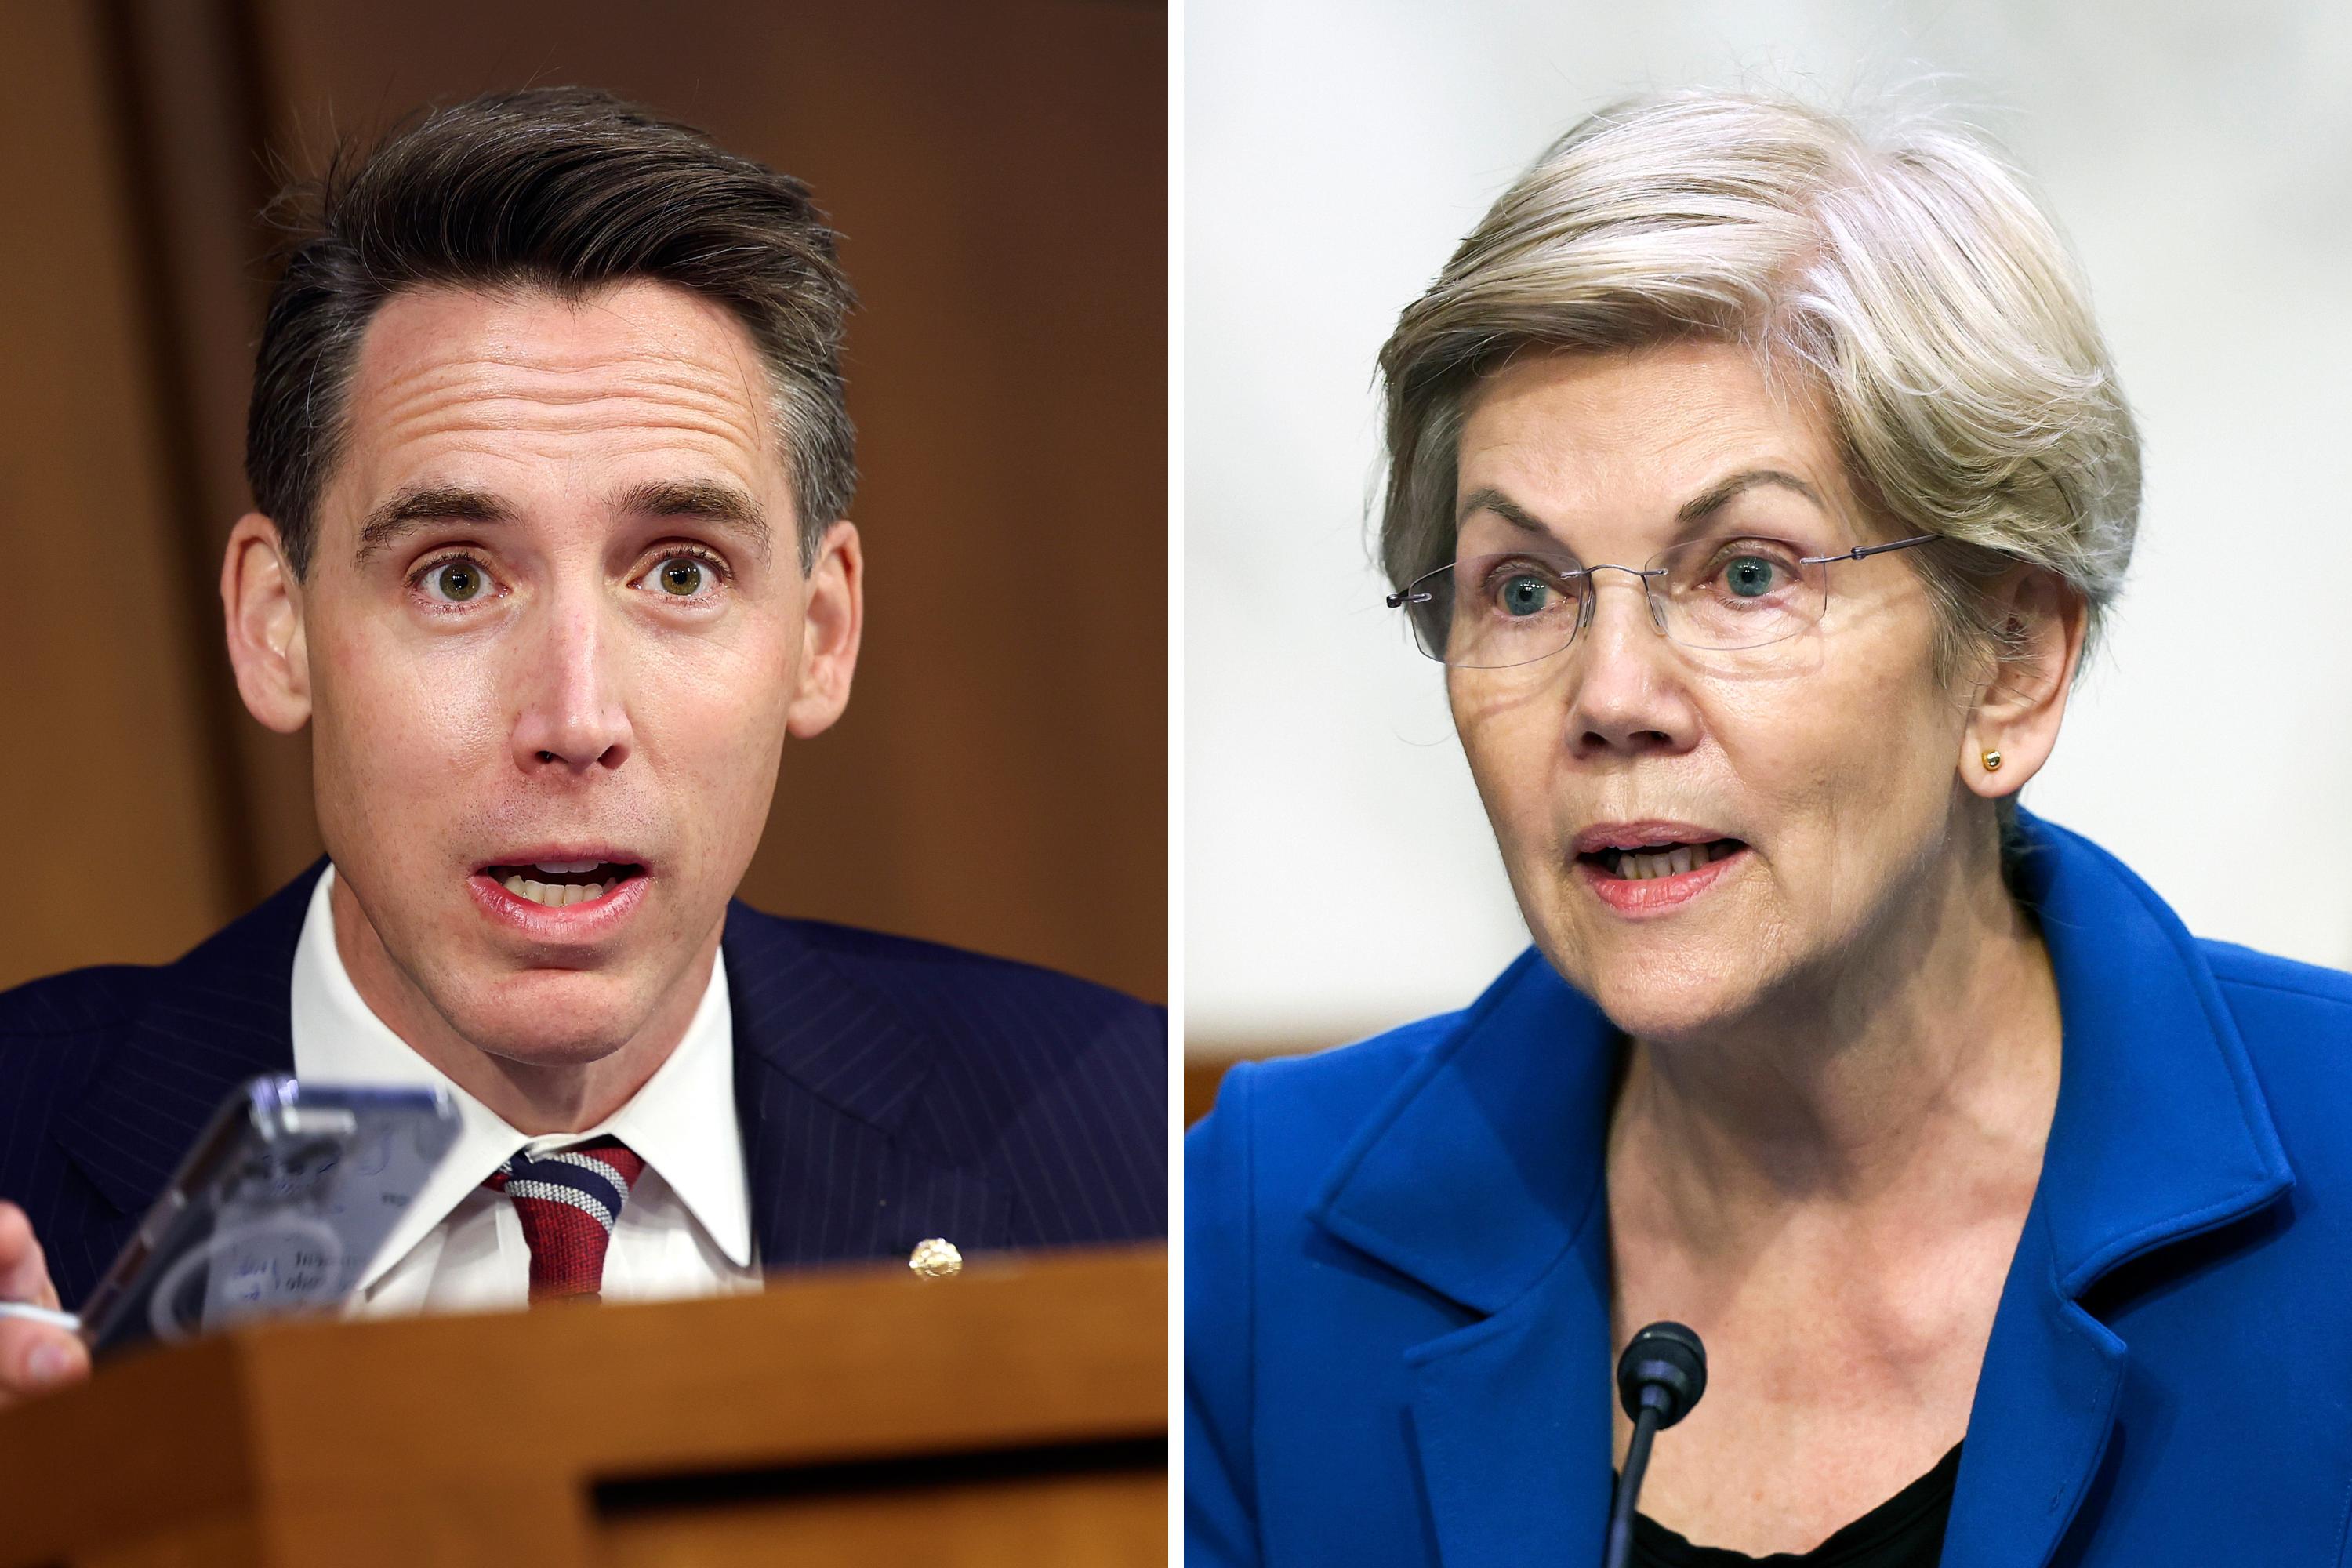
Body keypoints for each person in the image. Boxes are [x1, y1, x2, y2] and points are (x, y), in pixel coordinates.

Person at [1185, 90, 2352, 1566]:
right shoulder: (1260, 1245)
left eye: (1745, 574)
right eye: (1524, 590)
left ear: (2011, 656)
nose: (1611, 698)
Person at [0, 88, 1165, 1408]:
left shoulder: (1118, 1147)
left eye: (679, 572)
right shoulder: (17, 1149)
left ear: (819, 634)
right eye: (454, 579)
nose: (574, 722)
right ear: (279, 628)